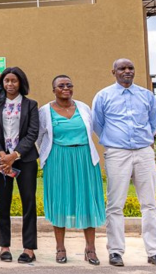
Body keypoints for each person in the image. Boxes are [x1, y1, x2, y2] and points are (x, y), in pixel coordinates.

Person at [93, 58, 156, 268]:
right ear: (114, 72)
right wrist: (115, 142)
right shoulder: (103, 96)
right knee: (115, 204)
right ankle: (116, 251)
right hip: (117, 153)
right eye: (122, 68)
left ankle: (155, 252)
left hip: (144, 152)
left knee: (149, 204)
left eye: (130, 68)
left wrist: (144, 141)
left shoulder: (146, 95)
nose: (127, 71)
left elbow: (153, 122)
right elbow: (98, 124)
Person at [38, 75, 105, 265]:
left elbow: (95, 130)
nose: (65, 88)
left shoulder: (83, 108)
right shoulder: (44, 111)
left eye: (69, 85)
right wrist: (49, 157)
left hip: (84, 159)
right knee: (60, 201)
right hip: (58, 160)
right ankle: (60, 248)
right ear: (54, 90)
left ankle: (90, 249)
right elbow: (40, 137)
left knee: (88, 201)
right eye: (61, 85)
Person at [0, 66, 39, 263]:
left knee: (29, 203)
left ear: (21, 83)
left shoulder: (30, 105)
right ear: (2, 83)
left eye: (13, 80)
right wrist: (2, 155)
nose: (10, 84)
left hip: (25, 161)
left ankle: (29, 248)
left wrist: (14, 155)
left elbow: (32, 133)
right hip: (1, 161)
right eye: (6, 80)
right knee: (3, 204)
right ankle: (4, 246)